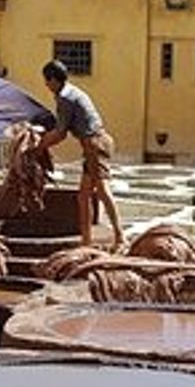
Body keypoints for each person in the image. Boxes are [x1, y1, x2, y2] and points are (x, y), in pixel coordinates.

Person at [37, 59, 123, 249]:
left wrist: (37, 146)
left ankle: (120, 237)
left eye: (47, 80)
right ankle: (86, 242)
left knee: (103, 191)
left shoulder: (65, 98)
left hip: (95, 144)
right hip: (93, 146)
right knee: (83, 196)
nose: (46, 85)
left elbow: (60, 134)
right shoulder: (71, 92)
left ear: (54, 80)